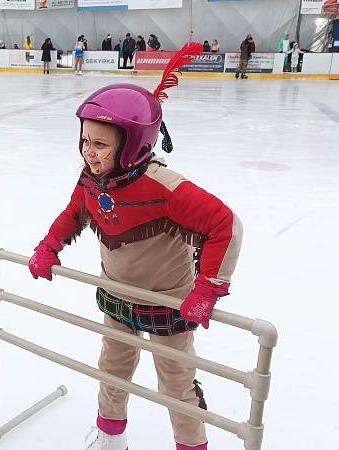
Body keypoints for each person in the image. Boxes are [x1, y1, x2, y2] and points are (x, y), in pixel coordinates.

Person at [27, 44, 241, 450]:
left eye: (101, 145)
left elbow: (224, 224)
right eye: (86, 140)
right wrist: (49, 245)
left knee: (176, 386)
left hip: (167, 304)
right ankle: (111, 440)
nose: (89, 152)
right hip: (117, 297)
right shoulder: (92, 180)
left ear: (133, 146)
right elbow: (74, 213)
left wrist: (207, 288)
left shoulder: (165, 188)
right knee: (112, 372)